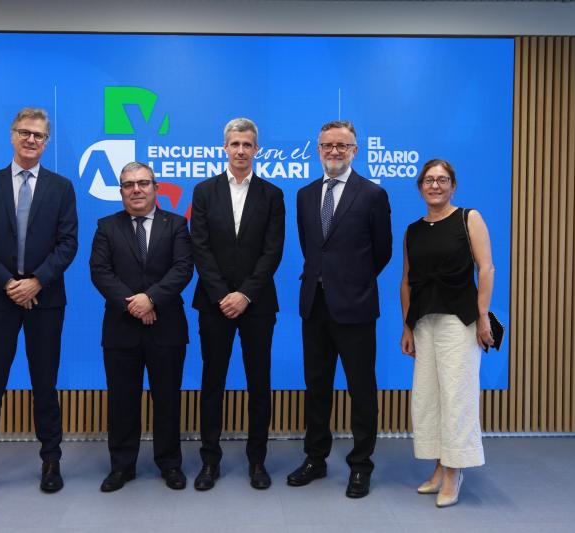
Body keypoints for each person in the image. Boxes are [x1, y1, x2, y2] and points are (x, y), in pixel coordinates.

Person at [0, 107, 78, 502]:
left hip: (46, 301)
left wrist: (36, 282)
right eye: (25, 133)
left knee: (45, 385)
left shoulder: (62, 188)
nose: (31, 140)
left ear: (47, 142)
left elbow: (68, 244)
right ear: (12, 136)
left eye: (39, 135)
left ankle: (51, 461)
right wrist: (9, 283)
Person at [288, 120, 392, 498]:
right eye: (327, 145)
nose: (334, 151)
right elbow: (311, 248)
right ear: (318, 149)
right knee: (316, 388)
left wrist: (351, 282)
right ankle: (316, 459)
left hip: (356, 307)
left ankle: (360, 466)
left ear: (354, 151)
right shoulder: (303, 195)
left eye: (342, 146)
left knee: (361, 389)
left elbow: (382, 251)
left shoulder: (372, 195)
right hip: (314, 307)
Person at [190, 118, 285, 490]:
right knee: (212, 383)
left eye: (247, 144)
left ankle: (257, 462)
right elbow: (199, 246)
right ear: (224, 148)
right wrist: (222, 295)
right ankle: (209, 462)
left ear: (256, 150)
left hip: (258, 304)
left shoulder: (273, 195)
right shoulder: (203, 191)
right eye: (235, 144)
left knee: (259, 384)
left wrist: (245, 294)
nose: (241, 150)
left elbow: (272, 251)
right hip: (214, 304)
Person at [90, 162, 193, 492]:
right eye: (128, 184)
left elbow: (182, 269)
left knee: (167, 400)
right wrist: (134, 304)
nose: (136, 189)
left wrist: (150, 300)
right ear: (120, 191)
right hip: (121, 328)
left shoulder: (176, 224)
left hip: (167, 327)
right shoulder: (106, 226)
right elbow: (100, 272)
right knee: (122, 401)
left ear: (155, 188)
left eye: (143, 183)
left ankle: (170, 464)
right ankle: (122, 466)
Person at [399, 159, 494, 508]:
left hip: (460, 320)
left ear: (453, 185)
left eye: (441, 180)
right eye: (428, 180)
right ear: (420, 187)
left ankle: (455, 471)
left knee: (457, 395)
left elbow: (486, 267)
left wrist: (483, 316)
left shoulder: (469, 218)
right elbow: (407, 280)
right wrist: (407, 325)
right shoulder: (413, 230)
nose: (434, 185)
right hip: (424, 322)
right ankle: (440, 464)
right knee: (429, 397)